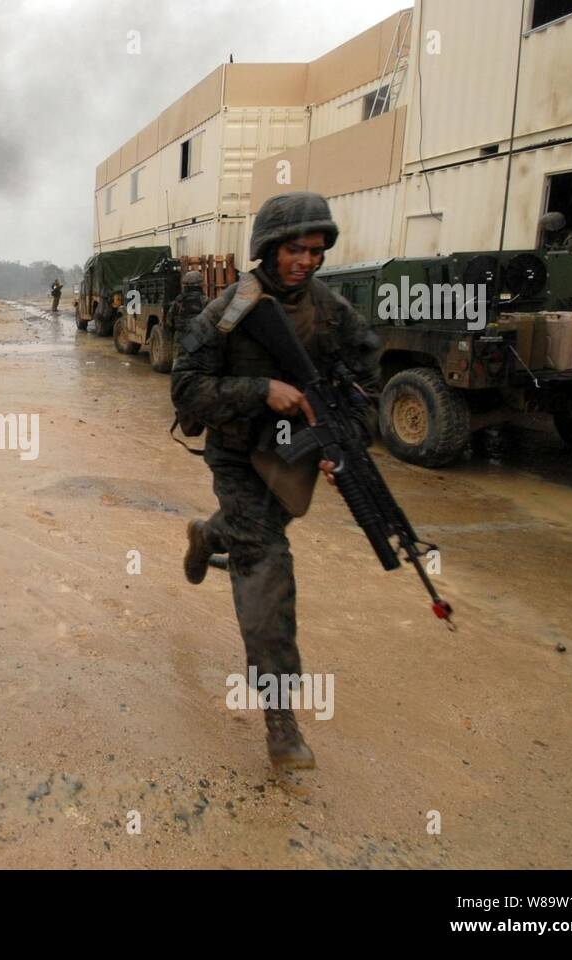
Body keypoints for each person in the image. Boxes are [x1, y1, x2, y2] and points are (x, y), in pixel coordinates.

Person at [171, 192, 382, 772]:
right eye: (295, 249)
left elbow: (368, 388)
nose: (307, 261)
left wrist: (344, 438)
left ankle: (209, 535)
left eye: (316, 251)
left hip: (292, 458)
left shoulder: (333, 313)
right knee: (267, 563)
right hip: (238, 456)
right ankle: (281, 715)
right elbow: (186, 391)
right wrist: (259, 391)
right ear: (268, 248)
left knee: (252, 532)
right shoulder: (228, 312)